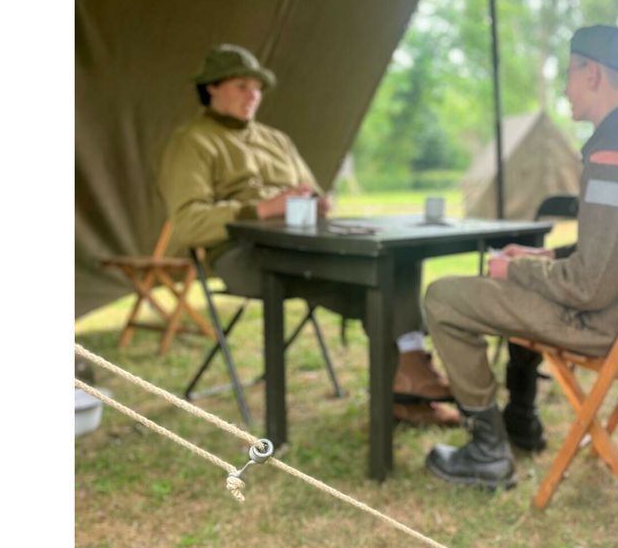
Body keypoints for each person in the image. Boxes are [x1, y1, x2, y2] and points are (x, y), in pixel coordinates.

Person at [422, 26, 618, 489]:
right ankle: (521, 420)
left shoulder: (616, 150)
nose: (565, 90)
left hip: (606, 322)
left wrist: (517, 268)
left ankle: (487, 452)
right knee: (523, 279)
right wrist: (545, 255)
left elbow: (588, 286)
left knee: (443, 297)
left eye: (569, 76)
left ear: (592, 74)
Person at [158, 43, 458, 425]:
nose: (253, 96)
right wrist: (263, 208)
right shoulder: (192, 141)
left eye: (257, 88)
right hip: (242, 255)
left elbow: (311, 191)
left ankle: (409, 377)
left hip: (305, 246)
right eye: (241, 86)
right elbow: (188, 221)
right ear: (211, 87)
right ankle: (408, 387)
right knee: (378, 285)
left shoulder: (276, 140)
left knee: (394, 262)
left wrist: (316, 203)